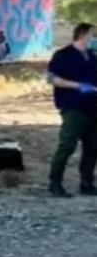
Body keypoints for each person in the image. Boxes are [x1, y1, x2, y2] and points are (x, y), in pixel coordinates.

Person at [46, 23, 97, 198]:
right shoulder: (63, 55)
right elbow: (52, 78)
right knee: (67, 145)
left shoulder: (92, 56)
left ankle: (87, 182)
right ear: (83, 34)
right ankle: (55, 183)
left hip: (93, 108)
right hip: (73, 107)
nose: (95, 39)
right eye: (93, 35)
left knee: (92, 148)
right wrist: (77, 86)